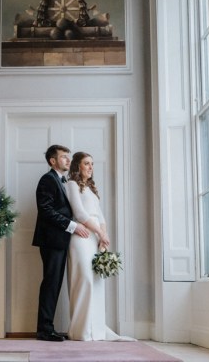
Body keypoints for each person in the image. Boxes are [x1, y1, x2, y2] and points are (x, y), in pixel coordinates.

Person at [65, 151, 135, 341]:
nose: (90, 167)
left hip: (95, 236)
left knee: (96, 281)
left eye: (92, 164)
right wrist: (99, 232)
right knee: (84, 280)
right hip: (82, 236)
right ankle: (81, 331)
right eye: (86, 163)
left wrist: (104, 236)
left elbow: (100, 215)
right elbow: (79, 213)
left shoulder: (91, 189)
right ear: (77, 166)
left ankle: (96, 330)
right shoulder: (71, 185)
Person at [32, 145, 89, 342]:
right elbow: (45, 209)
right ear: (52, 161)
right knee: (51, 283)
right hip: (51, 240)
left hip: (59, 240)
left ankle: (47, 327)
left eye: (68, 157)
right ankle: (44, 330)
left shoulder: (62, 180)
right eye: (64, 157)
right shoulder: (47, 179)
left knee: (54, 284)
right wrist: (71, 225)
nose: (67, 160)